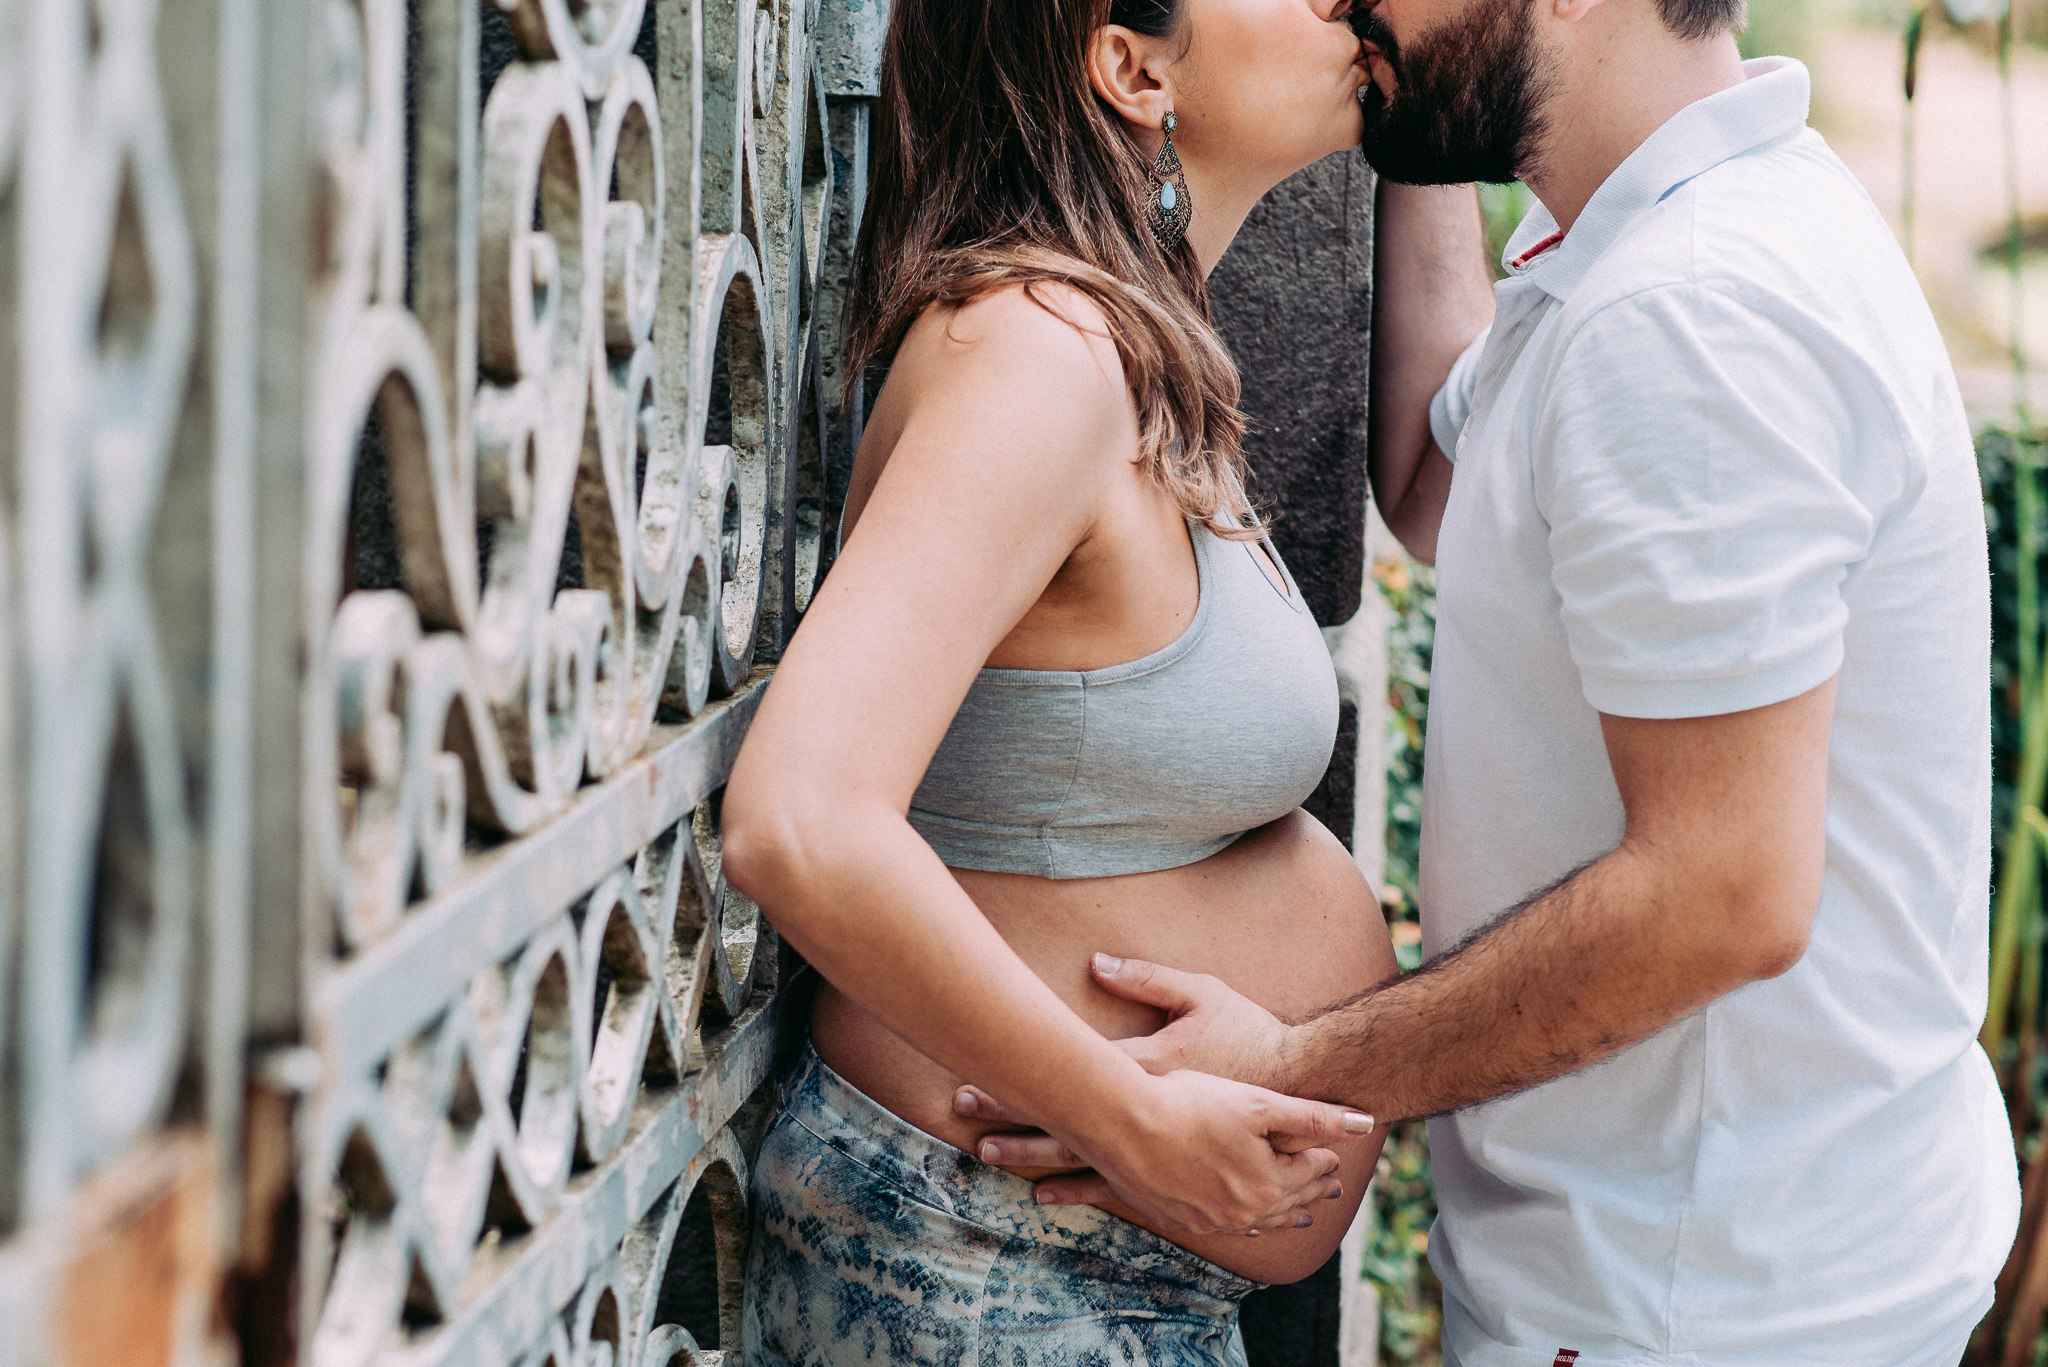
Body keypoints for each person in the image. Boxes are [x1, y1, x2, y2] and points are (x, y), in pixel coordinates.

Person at [951, 0, 2024, 1360]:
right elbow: (1442, 485)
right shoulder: (1646, 242)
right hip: (1704, 1265)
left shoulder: (1692, 315)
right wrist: (1412, 115)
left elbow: (1723, 894)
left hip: (1703, 1301)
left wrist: (1290, 1070)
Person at [720, 0, 1397, 1361]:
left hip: (1061, 1273)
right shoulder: (1039, 351)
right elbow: (799, 818)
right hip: (976, 1267)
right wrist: (1129, 1115)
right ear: (1132, 62)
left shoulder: (1124, 350)